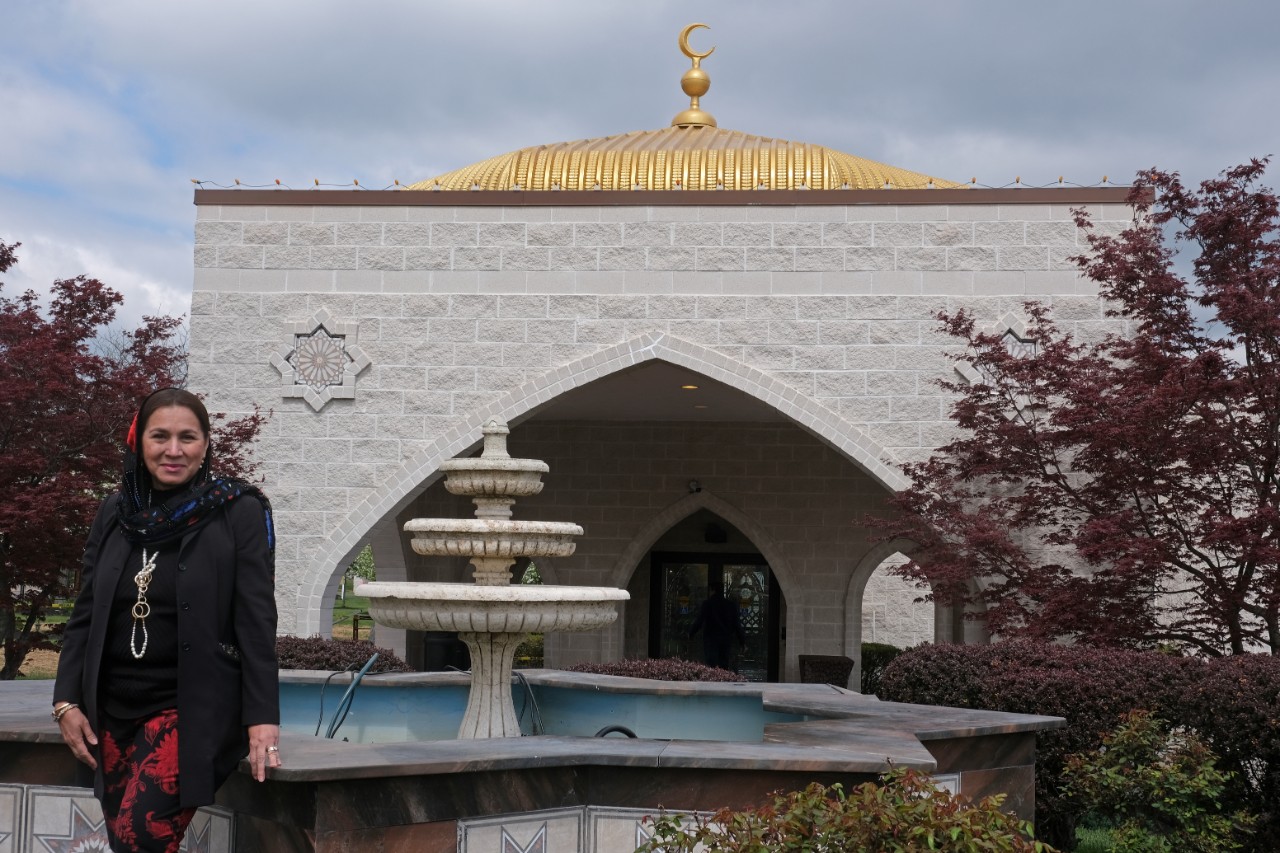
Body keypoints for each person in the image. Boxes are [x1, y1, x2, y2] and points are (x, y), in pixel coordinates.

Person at [52, 388, 279, 852]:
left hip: (189, 708)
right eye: (160, 436)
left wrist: (262, 719)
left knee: (142, 839)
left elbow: (257, 621)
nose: (173, 450)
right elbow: (85, 614)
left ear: (205, 444)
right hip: (111, 710)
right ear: (140, 441)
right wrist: (65, 701)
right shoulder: (115, 512)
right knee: (125, 843)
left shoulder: (237, 510)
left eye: (187, 437)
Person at [688, 586, 746, 671]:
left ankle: (713, 681)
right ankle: (722, 681)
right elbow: (737, 624)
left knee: (711, 665)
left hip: (711, 640)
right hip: (725, 640)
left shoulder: (707, 604)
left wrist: (691, 633)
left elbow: (699, 621)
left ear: (712, 590)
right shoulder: (730, 605)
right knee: (723, 665)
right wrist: (742, 642)